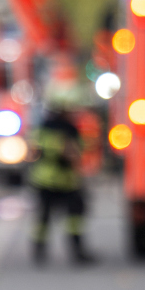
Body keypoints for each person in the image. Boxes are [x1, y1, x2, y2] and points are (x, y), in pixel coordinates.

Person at [27, 100, 94, 265]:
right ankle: (77, 252)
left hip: (43, 179)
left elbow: (32, 152)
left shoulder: (42, 128)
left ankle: (39, 251)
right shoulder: (68, 130)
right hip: (65, 181)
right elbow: (72, 155)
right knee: (74, 218)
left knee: (43, 218)